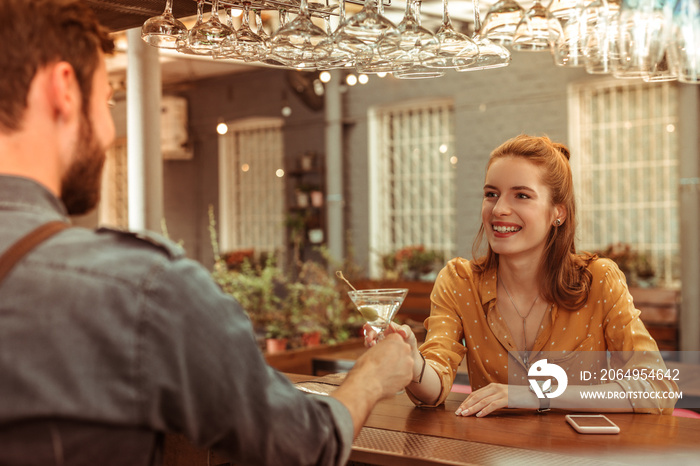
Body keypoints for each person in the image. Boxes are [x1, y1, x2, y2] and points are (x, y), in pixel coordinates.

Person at [0, 1, 413, 464]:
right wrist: (373, 376)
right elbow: (300, 444)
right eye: (107, 101)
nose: (106, 129)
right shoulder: (138, 288)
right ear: (64, 91)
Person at [366, 134, 678, 417]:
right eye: (491, 194)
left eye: (522, 196)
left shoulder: (598, 279)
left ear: (558, 212)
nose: (499, 209)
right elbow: (431, 393)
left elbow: (658, 388)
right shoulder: (459, 281)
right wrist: (414, 362)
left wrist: (536, 395)